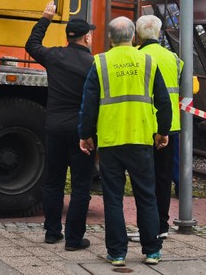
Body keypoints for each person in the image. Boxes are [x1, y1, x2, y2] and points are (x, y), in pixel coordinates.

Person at [78, 16, 172, 267]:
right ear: (134, 37)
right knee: (146, 196)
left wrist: (85, 135)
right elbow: (163, 101)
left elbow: (88, 106)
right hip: (141, 138)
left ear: (110, 38)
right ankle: (152, 250)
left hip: (110, 141)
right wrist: (163, 131)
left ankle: (117, 253)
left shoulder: (101, 62)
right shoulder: (148, 61)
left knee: (113, 199)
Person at [25, 1, 96, 251]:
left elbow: (31, 45)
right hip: (81, 132)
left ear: (68, 37)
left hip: (54, 127)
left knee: (53, 181)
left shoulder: (54, 56)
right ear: (86, 37)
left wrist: (45, 18)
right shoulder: (93, 65)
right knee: (80, 186)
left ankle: (52, 232)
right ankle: (75, 239)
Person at [136, 15, 183, 239]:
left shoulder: (137, 57)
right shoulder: (173, 58)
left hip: (144, 127)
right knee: (163, 179)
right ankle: (162, 226)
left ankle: (147, 226)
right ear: (159, 33)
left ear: (137, 35)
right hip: (169, 128)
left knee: (145, 180)